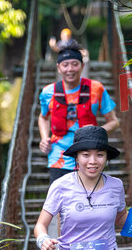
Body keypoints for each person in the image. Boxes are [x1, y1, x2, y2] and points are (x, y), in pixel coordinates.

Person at [38, 46, 119, 184]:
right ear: (58, 68)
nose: (70, 69)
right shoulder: (48, 92)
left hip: (89, 159)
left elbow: (114, 122)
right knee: (59, 196)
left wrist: (94, 134)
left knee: (89, 196)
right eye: (65, 65)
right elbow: (43, 117)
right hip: (58, 158)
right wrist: (44, 138)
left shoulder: (96, 89)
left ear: (82, 66)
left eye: (75, 64)